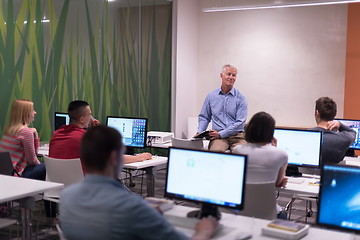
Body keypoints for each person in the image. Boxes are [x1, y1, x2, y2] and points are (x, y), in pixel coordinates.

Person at [60, 125, 218, 240]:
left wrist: (146, 216)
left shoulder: (67, 196)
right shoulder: (131, 206)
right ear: (116, 158)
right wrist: (204, 231)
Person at [49, 100, 152, 164]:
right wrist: (140, 157)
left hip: (58, 188)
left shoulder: (56, 134)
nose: (91, 117)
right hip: (85, 188)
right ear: (81, 119)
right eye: (89, 114)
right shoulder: (86, 139)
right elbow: (115, 158)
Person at [233, 112, 288, 219]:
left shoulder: (237, 150)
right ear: (271, 132)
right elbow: (278, 183)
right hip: (268, 214)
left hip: (240, 210)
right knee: (282, 214)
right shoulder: (281, 154)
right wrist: (275, 147)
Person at [196, 64, 248, 152]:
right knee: (215, 153)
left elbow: (240, 123)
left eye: (234, 75)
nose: (231, 77)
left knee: (244, 154)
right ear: (221, 75)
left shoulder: (241, 98)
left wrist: (221, 134)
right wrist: (200, 132)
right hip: (217, 138)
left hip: (237, 136)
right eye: (229, 74)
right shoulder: (211, 96)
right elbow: (204, 117)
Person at [0, 99, 45, 180]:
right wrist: (35, 136)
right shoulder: (25, 131)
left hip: (4, 174)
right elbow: (32, 161)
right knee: (47, 166)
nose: (35, 113)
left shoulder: (9, 130)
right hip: (15, 175)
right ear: (25, 113)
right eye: (32, 110)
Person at [311, 97, 356, 165]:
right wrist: (340, 124)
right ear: (334, 114)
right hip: (331, 175)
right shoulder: (343, 138)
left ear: (317, 113)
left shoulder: (305, 136)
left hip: (306, 174)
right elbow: (353, 133)